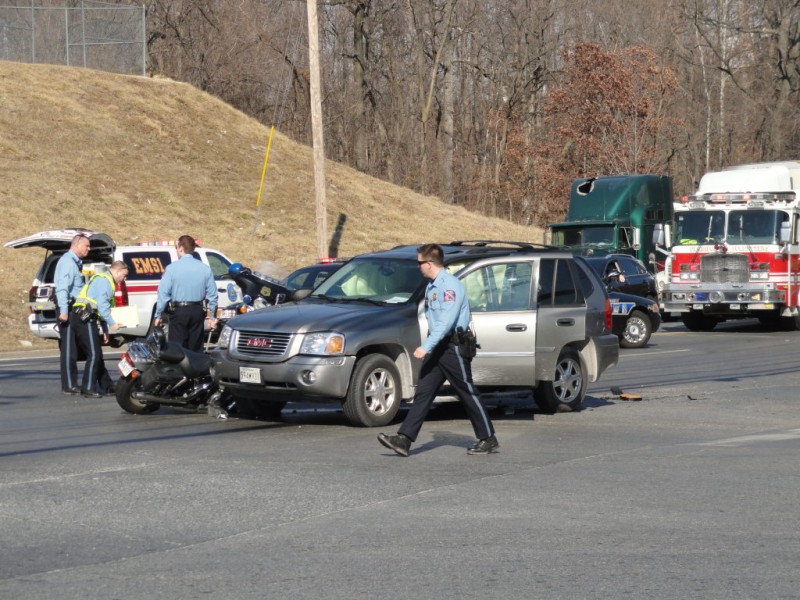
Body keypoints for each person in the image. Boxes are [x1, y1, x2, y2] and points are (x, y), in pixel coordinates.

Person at [377, 243, 498, 457]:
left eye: (420, 263)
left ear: (430, 263)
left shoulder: (450, 286)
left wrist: (426, 347)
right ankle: (404, 439)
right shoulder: (432, 285)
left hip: (453, 346)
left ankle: (488, 438)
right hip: (440, 346)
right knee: (424, 392)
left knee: (466, 391)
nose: (418, 267)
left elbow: (446, 322)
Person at [69, 261, 128, 397]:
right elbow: (102, 306)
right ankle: (88, 387)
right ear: (118, 272)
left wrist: (105, 329)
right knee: (94, 354)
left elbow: (99, 308)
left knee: (97, 354)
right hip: (83, 316)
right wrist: (112, 323)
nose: (124, 279)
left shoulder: (106, 280)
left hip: (86, 316)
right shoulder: (105, 282)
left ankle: (106, 385)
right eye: (124, 275)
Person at [153, 235, 218, 352]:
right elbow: (213, 295)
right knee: (196, 349)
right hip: (197, 311)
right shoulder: (205, 268)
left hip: (178, 312)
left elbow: (163, 294)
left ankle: (180, 370)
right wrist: (213, 317)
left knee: (177, 349)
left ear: (181, 248)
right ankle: (195, 369)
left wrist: (158, 314)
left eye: (176, 247)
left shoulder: (171, 268)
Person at [55, 234, 91, 394]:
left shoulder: (75, 262)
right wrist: (63, 311)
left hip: (75, 308)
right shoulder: (68, 263)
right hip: (68, 308)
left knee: (75, 346)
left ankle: (73, 382)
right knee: (69, 348)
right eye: (87, 246)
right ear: (77, 245)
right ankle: (69, 385)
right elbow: (63, 288)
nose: (88, 249)